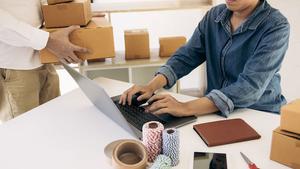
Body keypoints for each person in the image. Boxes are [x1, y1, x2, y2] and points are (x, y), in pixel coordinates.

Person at [119, 0, 290, 117]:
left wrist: (185, 107)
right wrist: (150, 86)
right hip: (215, 110)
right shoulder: (214, 16)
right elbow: (187, 56)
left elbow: (249, 87)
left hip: (258, 113)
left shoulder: (276, 26)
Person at [0, 1, 87, 122]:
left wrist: (82, 17)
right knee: (25, 133)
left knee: (52, 126)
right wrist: (48, 41)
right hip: (16, 66)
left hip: (43, 57)